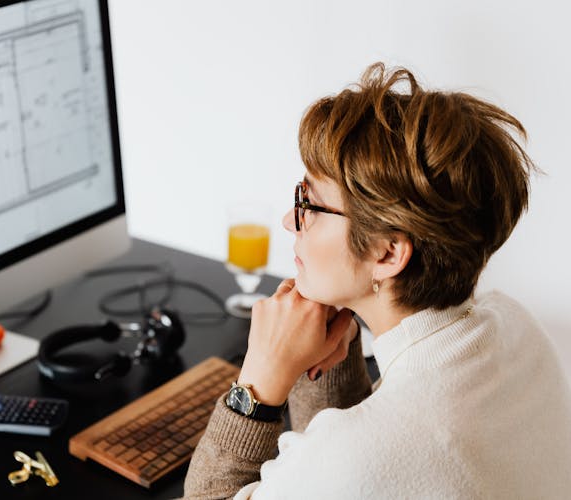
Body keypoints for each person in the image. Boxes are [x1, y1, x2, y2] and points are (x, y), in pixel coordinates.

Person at [183, 62, 571, 499]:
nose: (291, 220)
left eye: (310, 203)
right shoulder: (517, 328)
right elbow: (344, 465)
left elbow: (350, 463)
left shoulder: (360, 453)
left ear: (387, 253)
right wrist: (337, 321)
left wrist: (256, 388)